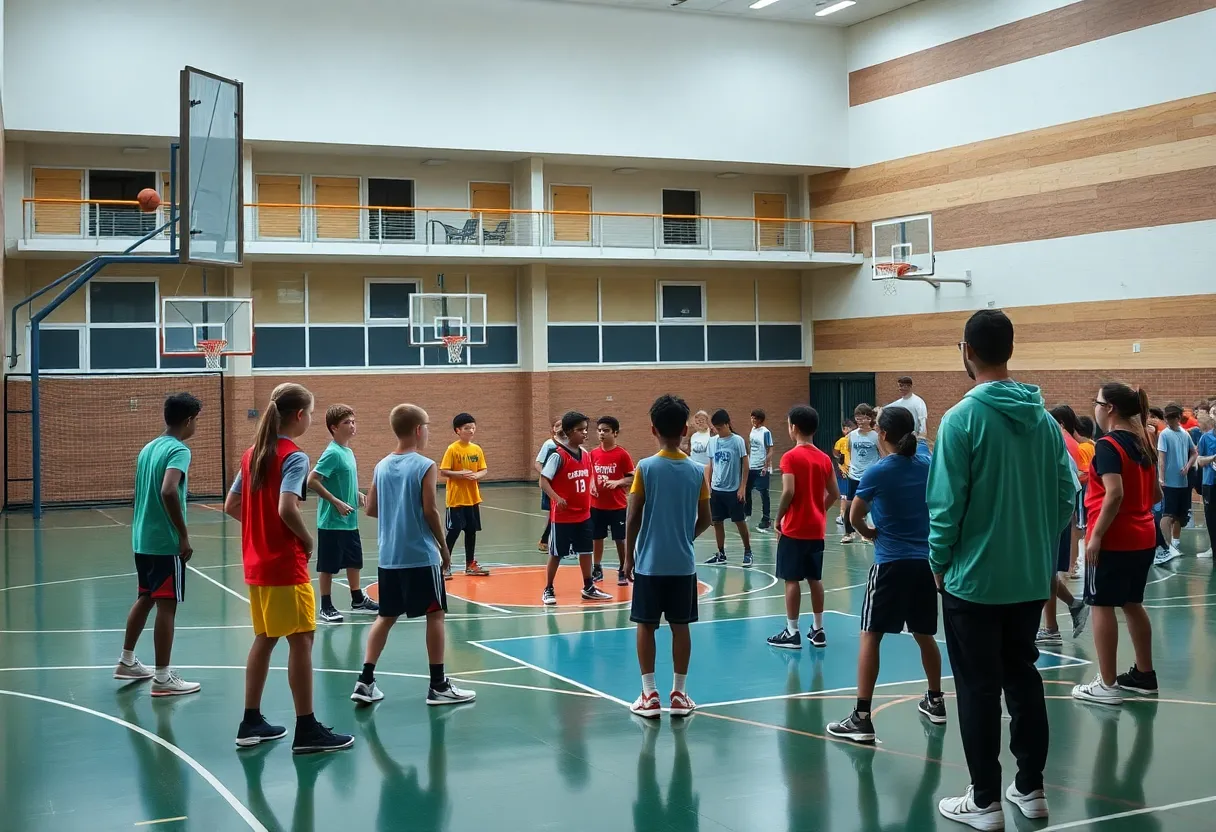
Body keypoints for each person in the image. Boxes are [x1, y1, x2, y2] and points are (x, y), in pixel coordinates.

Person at [928, 310, 1074, 828]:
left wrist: (939, 563)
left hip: (974, 580)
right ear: (1008, 349)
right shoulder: (1045, 421)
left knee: (977, 687)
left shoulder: (960, 420)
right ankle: (1030, 789)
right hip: (1028, 579)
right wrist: (1036, 544)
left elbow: (946, 506)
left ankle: (985, 797)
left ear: (965, 350)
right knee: (1023, 675)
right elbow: (1067, 495)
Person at [225, 382, 353, 753]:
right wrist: (307, 540)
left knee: (265, 639)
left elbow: (233, 506)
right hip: (284, 564)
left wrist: (258, 531)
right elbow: (286, 508)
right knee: (302, 640)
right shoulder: (293, 456)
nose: (312, 419)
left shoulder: (252, 454)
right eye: (311, 413)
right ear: (300, 415)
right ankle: (307, 728)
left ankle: (251, 721)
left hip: (256, 563)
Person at [826, 406, 944, 743]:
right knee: (924, 635)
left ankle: (862, 717)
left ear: (883, 435)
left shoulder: (879, 471)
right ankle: (936, 701)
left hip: (891, 563)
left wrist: (870, 532)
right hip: (925, 563)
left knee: (871, 635)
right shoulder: (927, 463)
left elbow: (855, 517)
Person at [351, 404, 476, 707]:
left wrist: (395, 511)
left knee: (385, 617)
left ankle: (365, 681)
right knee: (435, 615)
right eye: (428, 426)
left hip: (389, 557)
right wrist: (444, 548)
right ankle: (438, 685)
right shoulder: (425, 464)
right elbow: (430, 509)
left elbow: (370, 509)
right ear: (419, 430)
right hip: (420, 555)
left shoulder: (381, 465)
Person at [1071, 383, 1161, 706]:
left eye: (1095, 402)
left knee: (1101, 604)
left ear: (1109, 408)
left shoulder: (1108, 446)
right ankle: (1144, 675)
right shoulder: (1144, 443)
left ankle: (1107, 684)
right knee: (1133, 603)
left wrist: (1094, 538)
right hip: (1144, 536)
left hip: (1113, 539)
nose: (1093, 408)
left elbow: (1115, 492)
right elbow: (1157, 495)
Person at [624, 394, 711, 719]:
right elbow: (705, 518)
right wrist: (684, 537)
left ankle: (649, 695)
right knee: (681, 625)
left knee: (646, 626)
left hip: (649, 563)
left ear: (652, 429)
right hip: (682, 565)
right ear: (685, 429)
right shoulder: (696, 471)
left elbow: (633, 516)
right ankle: (679, 693)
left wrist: (630, 557)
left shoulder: (645, 468)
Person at [114, 392, 203, 696]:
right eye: (196, 421)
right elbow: (168, 490)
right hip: (165, 542)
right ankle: (163, 679)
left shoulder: (148, 448)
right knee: (167, 606)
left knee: (146, 597)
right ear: (189, 420)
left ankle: (126, 661)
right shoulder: (179, 450)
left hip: (142, 538)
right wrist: (183, 534)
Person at [765, 405, 837, 650]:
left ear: (793, 428)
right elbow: (835, 494)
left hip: (794, 529)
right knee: (815, 578)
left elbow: (789, 491)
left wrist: (778, 518)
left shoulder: (790, 457)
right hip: (816, 529)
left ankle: (792, 631)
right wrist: (818, 510)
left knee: (791, 578)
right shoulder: (825, 458)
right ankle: (818, 630)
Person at [308, 404, 377, 624]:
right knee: (328, 566)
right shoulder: (332, 453)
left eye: (353, 421)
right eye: (347, 423)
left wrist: (355, 494)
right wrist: (336, 502)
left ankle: (357, 599)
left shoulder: (347, 451)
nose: (352, 426)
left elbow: (340, 480)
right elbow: (312, 480)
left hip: (349, 520)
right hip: (331, 521)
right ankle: (326, 606)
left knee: (354, 561)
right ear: (334, 428)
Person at [540, 411, 614, 605]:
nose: (585, 434)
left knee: (585, 551)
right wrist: (557, 498)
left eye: (585, 430)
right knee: (557, 553)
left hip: (584, 514)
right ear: (568, 432)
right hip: (563, 516)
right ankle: (548, 588)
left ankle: (588, 586)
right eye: (580, 430)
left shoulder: (586, 455)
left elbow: (587, 476)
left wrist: (592, 488)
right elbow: (543, 481)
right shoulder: (558, 456)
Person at [1036, 404, 1088, 645]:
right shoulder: (1052, 443)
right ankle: (1072, 607)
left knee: (1044, 572)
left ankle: (1051, 628)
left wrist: (1060, 518)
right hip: (1049, 517)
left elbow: (1072, 484)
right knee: (1044, 573)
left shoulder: (1057, 445)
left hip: (1051, 518)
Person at [439, 412, 491, 578]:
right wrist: (460, 474)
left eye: (473, 428)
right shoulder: (452, 449)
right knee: (453, 531)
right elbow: (444, 471)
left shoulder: (477, 449)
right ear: (458, 430)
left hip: (472, 498)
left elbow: (484, 469)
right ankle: (444, 564)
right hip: (456, 499)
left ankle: (470, 564)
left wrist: (477, 475)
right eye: (467, 428)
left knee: (471, 531)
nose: (471, 431)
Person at [704, 409, 753, 567]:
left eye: (720, 428)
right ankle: (721, 553)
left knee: (739, 521)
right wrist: (708, 485)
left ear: (727, 424)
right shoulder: (713, 442)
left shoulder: (737, 441)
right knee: (717, 522)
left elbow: (745, 465)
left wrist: (742, 487)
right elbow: (710, 465)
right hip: (717, 490)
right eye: (715, 428)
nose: (717, 431)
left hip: (733, 490)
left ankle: (747, 551)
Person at [590, 416, 634, 586]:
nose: (602, 433)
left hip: (617, 506)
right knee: (597, 538)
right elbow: (591, 475)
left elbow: (631, 478)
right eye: (599, 430)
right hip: (597, 505)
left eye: (606, 430)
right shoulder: (593, 454)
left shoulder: (622, 455)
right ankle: (597, 568)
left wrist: (617, 482)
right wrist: (592, 484)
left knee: (620, 539)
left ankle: (623, 568)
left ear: (615, 433)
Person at [1157, 403, 1196, 562]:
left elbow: (1194, 453)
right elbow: (1161, 458)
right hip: (1169, 482)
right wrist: (1161, 477)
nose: (1168, 421)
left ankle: (1175, 543)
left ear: (1178, 418)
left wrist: (1188, 465)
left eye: (1171, 418)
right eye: (1166, 418)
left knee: (1179, 515)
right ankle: (1166, 546)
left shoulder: (1185, 434)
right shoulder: (1164, 435)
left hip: (1183, 481)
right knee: (1167, 514)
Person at [842, 404, 880, 544]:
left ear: (869, 418)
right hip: (854, 475)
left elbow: (881, 453)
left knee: (871, 504)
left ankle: (869, 531)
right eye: (857, 418)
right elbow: (851, 452)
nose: (860, 421)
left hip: (870, 475)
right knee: (849, 504)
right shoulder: (852, 435)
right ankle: (848, 533)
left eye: (863, 418)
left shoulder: (876, 436)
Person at [534, 418, 563, 552]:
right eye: (557, 426)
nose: (560, 428)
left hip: (564, 485)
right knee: (551, 512)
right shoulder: (549, 444)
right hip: (551, 485)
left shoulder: (570, 445)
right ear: (553, 429)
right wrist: (547, 475)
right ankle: (546, 539)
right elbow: (538, 463)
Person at [746, 409, 775, 533]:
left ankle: (766, 519)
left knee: (764, 494)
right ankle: (747, 512)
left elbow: (770, 450)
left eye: (755, 418)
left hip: (761, 467)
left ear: (760, 420)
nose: (753, 420)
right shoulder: (752, 431)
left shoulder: (766, 432)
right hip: (752, 465)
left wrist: (766, 466)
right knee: (747, 489)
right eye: (752, 417)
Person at [1196, 412, 1216, 559]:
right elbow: (1200, 461)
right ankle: (1213, 548)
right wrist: (1213, 458)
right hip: (1210, 483)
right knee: (1211, 517)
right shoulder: (1206, 437)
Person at [832, 418, 855, 527]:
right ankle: (849, 516)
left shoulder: (842, 441)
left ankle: (843, 516)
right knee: (849, 495)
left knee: (844, 496)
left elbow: (835, 454)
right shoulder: (855, 438)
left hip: (846, 471)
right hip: (852, 471)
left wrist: (840, 460)